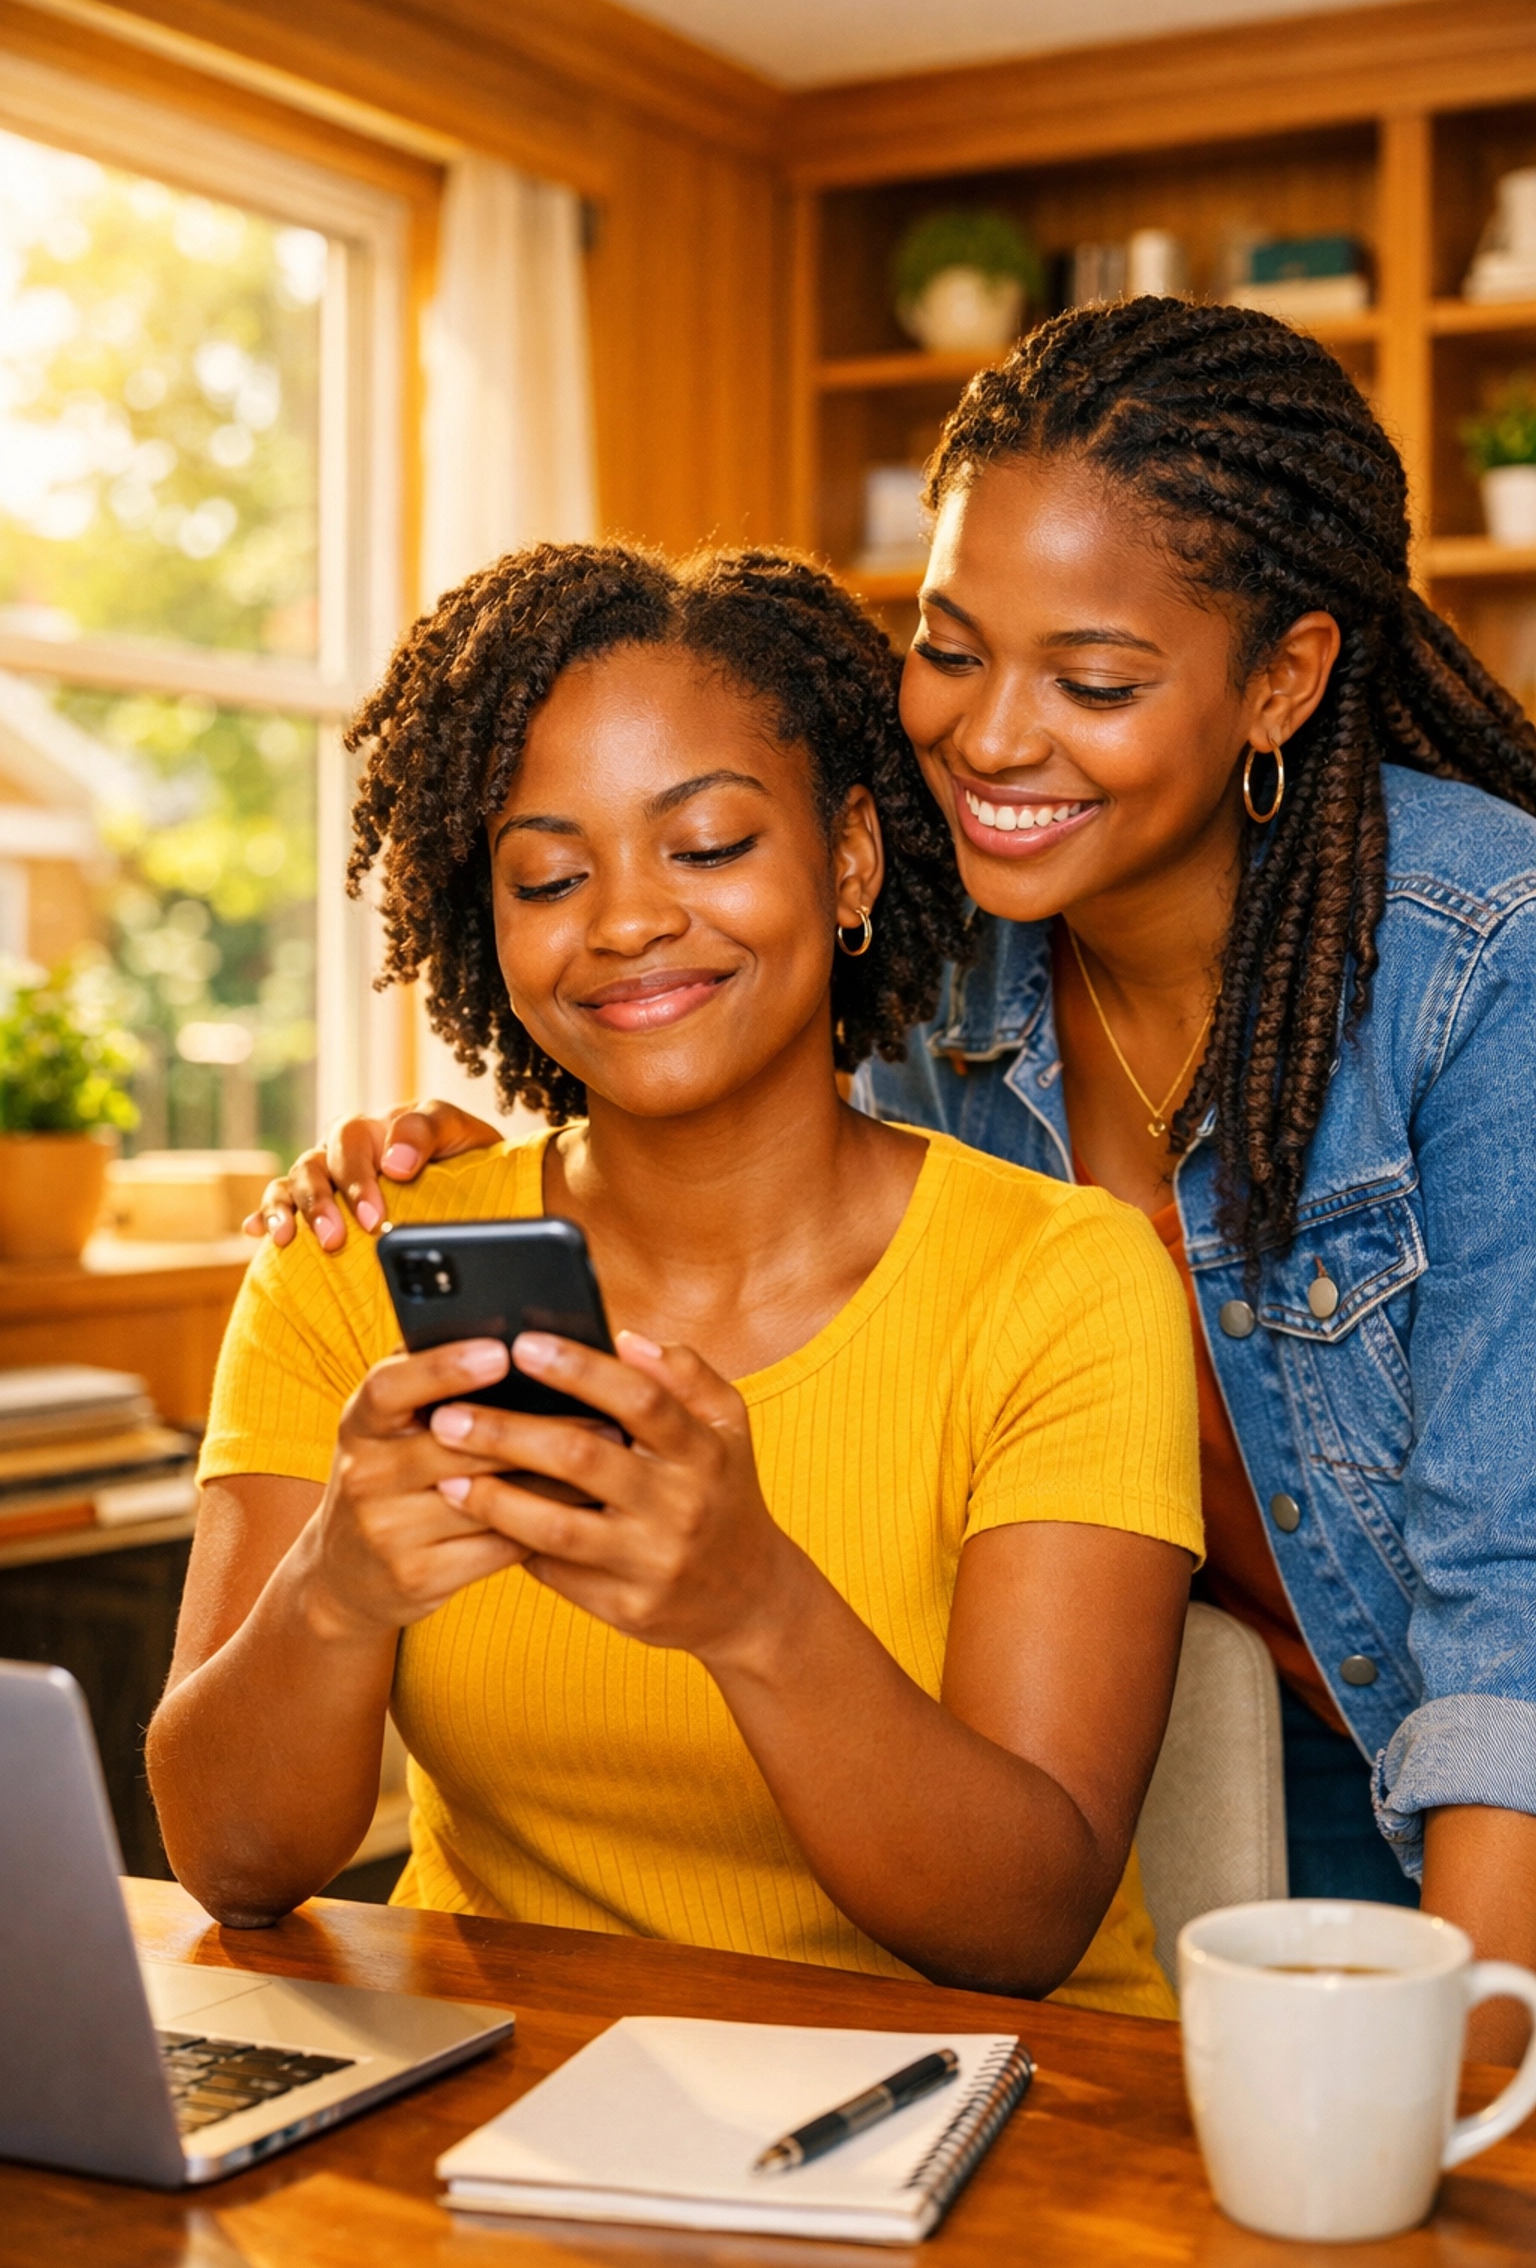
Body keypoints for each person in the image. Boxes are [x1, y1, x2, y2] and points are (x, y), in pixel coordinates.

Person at [276, 305, 1536, 2060]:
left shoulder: (1487, 963)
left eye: (1093, 684)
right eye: (950, 649)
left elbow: (1514, 1611)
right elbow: (713, 1086)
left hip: (1494, 1766)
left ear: (1284, 678)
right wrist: (439, 1157)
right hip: (1252, 1732)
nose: (993, 743)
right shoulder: (946, 956)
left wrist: (1469, 2098)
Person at [156, 543, 1202, 2018]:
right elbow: (229, 1862)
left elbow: (1024, 1924)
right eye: (549, 874)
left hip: (984, 2128)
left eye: (707, 847)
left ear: (848, 858)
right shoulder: (354, 1268)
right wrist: (333, 1591)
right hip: (505, 2109)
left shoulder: (1065, 1282)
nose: (628, 920)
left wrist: (755, 1608)